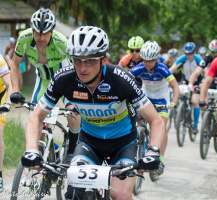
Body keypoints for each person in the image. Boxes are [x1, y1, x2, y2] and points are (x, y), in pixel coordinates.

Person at [19, 26, 164, 200]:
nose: (82, 68)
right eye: (77, 60)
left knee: (120, 194)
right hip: (90, 143)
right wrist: (32, 150)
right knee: (75, 192)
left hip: (123, 144)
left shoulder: (121, 79)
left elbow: (156, 120)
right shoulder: (63, 79)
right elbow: (36, 116)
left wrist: (153, 152)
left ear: (103, 59)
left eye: (90, 61)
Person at [9, 8, 80, 159]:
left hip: (65, 80)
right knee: (36, 119)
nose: (40, 37)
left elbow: (78, 68)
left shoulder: (62, 42)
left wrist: (79, 94)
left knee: (74, 115)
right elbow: (15, 64)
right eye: (37, 33)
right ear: (32, 30)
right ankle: (48, 151)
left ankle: (72, 150)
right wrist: (15, 90)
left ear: (52, 32)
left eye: (45, 33)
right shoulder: (24, 38)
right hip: (43, 80)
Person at [130, 41, 180, 178]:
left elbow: (175, 87)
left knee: (161, 126)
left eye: (151, 61)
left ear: (156, 59)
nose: (147, 64)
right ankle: (140, 147)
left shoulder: (163, 69)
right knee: (137, 122)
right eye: (145, 60)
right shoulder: (139, 68)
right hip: (146, 97)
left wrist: (173, 103)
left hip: (162, 99)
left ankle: (160, 159)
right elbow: (125, 81)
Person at [170, 42, 205, 134]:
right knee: (179, 94)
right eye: (186, 53)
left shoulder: (198, 59)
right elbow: (172, 69)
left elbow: (203, 71)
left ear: (194, 52)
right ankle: (181, 110)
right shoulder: (182, 58)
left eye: (191, 53)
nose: (189, 55)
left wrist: (203, 83)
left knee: (194, 101)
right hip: (185, 81)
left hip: (197, 82)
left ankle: (195, 125)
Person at [0, 55, 12, 192]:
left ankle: (0, 176)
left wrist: (8, 104)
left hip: (1, 97)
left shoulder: (0, 60)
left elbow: (9, 85)